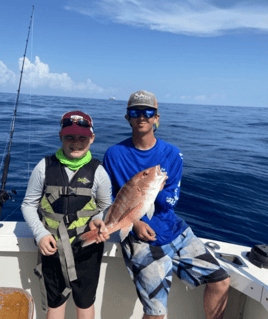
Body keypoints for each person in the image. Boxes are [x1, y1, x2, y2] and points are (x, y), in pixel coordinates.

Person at [103, 90, 230, 319]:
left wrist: (155, 189)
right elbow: (109, 199)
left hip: (174, 229)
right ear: (128, 117)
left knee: (221, 281)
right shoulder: (114, 154)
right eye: (135, 112)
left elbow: (171, 200)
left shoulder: (172, 154)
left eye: (148, 112)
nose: (142, 116)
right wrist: (135, 224)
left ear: (156, 118)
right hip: (139, 234)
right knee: (156, 313)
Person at [21, 111, 111, 319]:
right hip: (51, 247)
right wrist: (40, 233)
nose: (76, 143)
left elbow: (107, 205)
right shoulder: (43, 167)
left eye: (82, 138)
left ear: (92, 138)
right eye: (69, 137)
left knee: (85, 303)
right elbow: (28, 205)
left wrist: (100, 219)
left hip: (87, 248)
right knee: (55, 303)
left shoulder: (99, 172)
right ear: (60, 136)